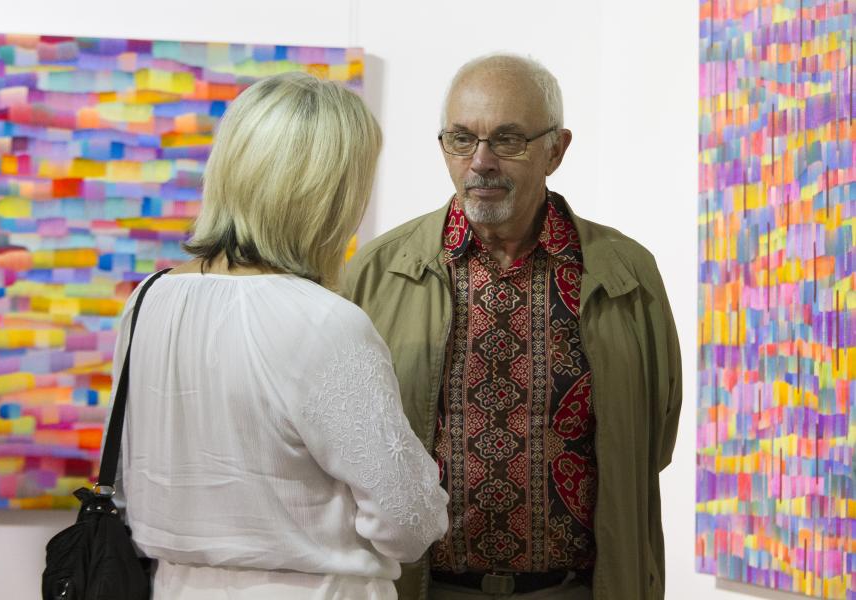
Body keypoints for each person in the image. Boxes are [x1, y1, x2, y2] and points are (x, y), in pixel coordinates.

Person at [344, 55, 681, 600]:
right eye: (461, 139)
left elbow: (653, 440)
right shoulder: (377, 274)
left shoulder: (625, 275)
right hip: (422, 589)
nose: (480, 162)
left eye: (508, 140)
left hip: (572, 591)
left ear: (557, 150)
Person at [109, 72, 449, 600]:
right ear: (328, 194)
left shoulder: (147, 301)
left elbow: (129, 483)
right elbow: (409, 521)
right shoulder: (324, 323)